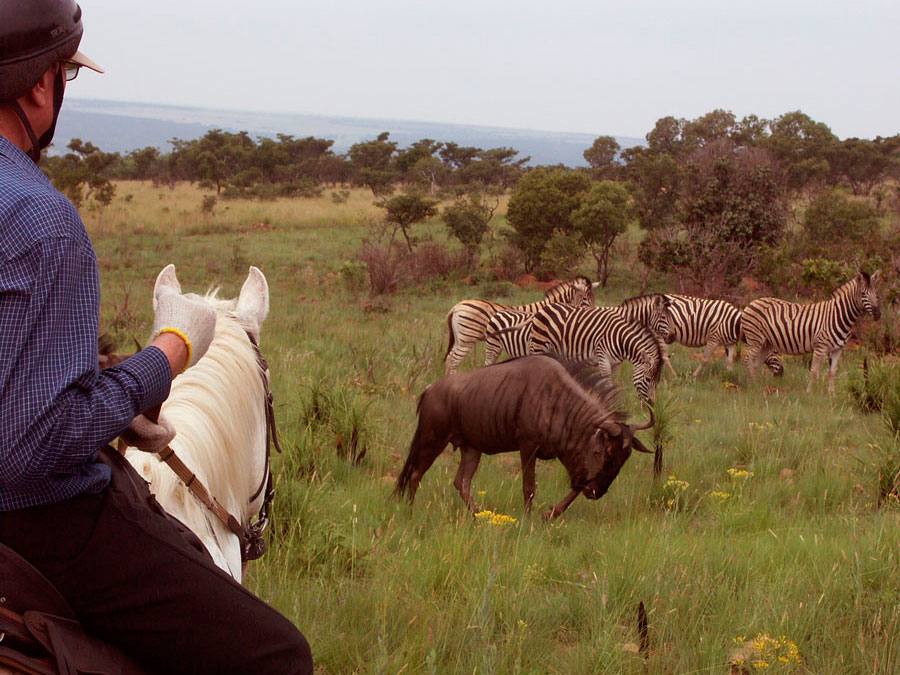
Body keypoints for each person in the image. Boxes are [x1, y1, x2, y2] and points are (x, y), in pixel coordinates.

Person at [0, 1, 313, 672]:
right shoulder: (42, 222)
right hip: (41, 521)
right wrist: (168, 352)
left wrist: (103, 379)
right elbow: (30, 448)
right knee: (279, 656)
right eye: (65, 76)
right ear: (38, 86)